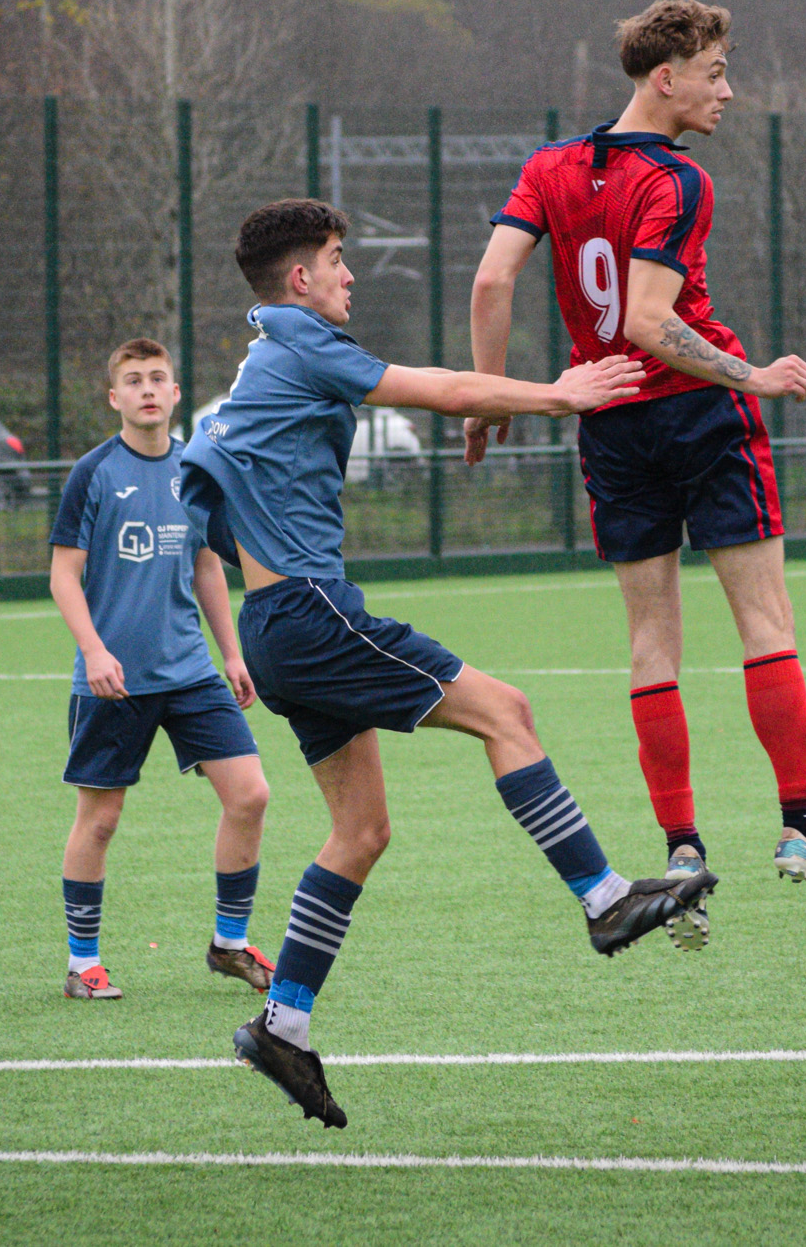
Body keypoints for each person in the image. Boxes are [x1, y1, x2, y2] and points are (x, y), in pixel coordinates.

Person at [182, 199, 714, 1130]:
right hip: (309, 614)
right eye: (337, 258)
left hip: (277, 624)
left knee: (360, 831)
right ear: (300, 277)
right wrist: (561, 393)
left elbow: (203, 498)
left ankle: (283, 1025)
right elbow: (441, 387)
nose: (350, 273)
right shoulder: (301, 343)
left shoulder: (257, 366)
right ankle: (604, 898)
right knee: (506, 712)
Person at [464, 0, 806, 943]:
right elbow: (652, 322)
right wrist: (754, 374)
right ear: (667, 78)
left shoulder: (550, 165)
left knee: (652, 643)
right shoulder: (679, 179)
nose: (728, 91)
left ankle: (683, 851)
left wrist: (492, 395)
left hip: (608, 420)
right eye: (717, 72)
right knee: (766, 622)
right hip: (699, 412)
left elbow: (492, 279)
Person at [47, 338, 272, 1002]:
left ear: (175, 393)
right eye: (134, 380)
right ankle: (82, 964)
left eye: (157, 378)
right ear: (114, 397)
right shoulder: (93, 472)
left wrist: (231, 653)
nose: (147, 389)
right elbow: (63, 575)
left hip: (190, 672)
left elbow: (206, 564)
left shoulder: (194, 468)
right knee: (100, 819)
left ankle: (229, 944)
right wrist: (94, 650)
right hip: (114, 679)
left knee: (250, 795)